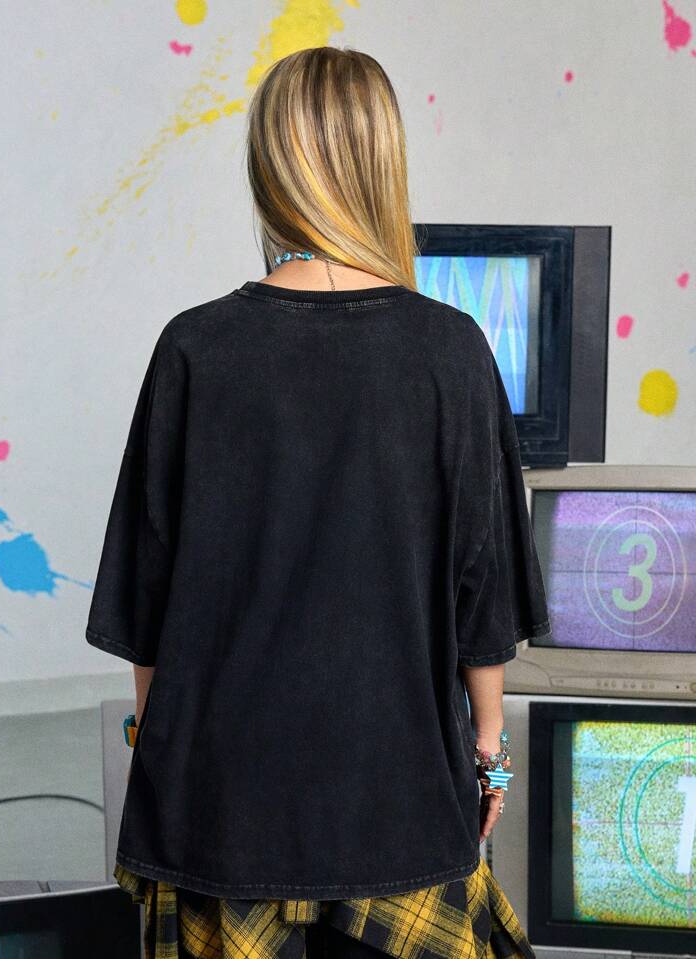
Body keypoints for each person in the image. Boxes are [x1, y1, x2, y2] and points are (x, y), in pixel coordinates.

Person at [85, 45, 551, 959]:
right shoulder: (453, 351)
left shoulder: (194, 348)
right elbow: (483, 602)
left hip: (221, 816)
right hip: (402, 808)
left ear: (268, 168)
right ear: (383, 165)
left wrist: (162, 746)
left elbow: (148, 611)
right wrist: (488, 752)